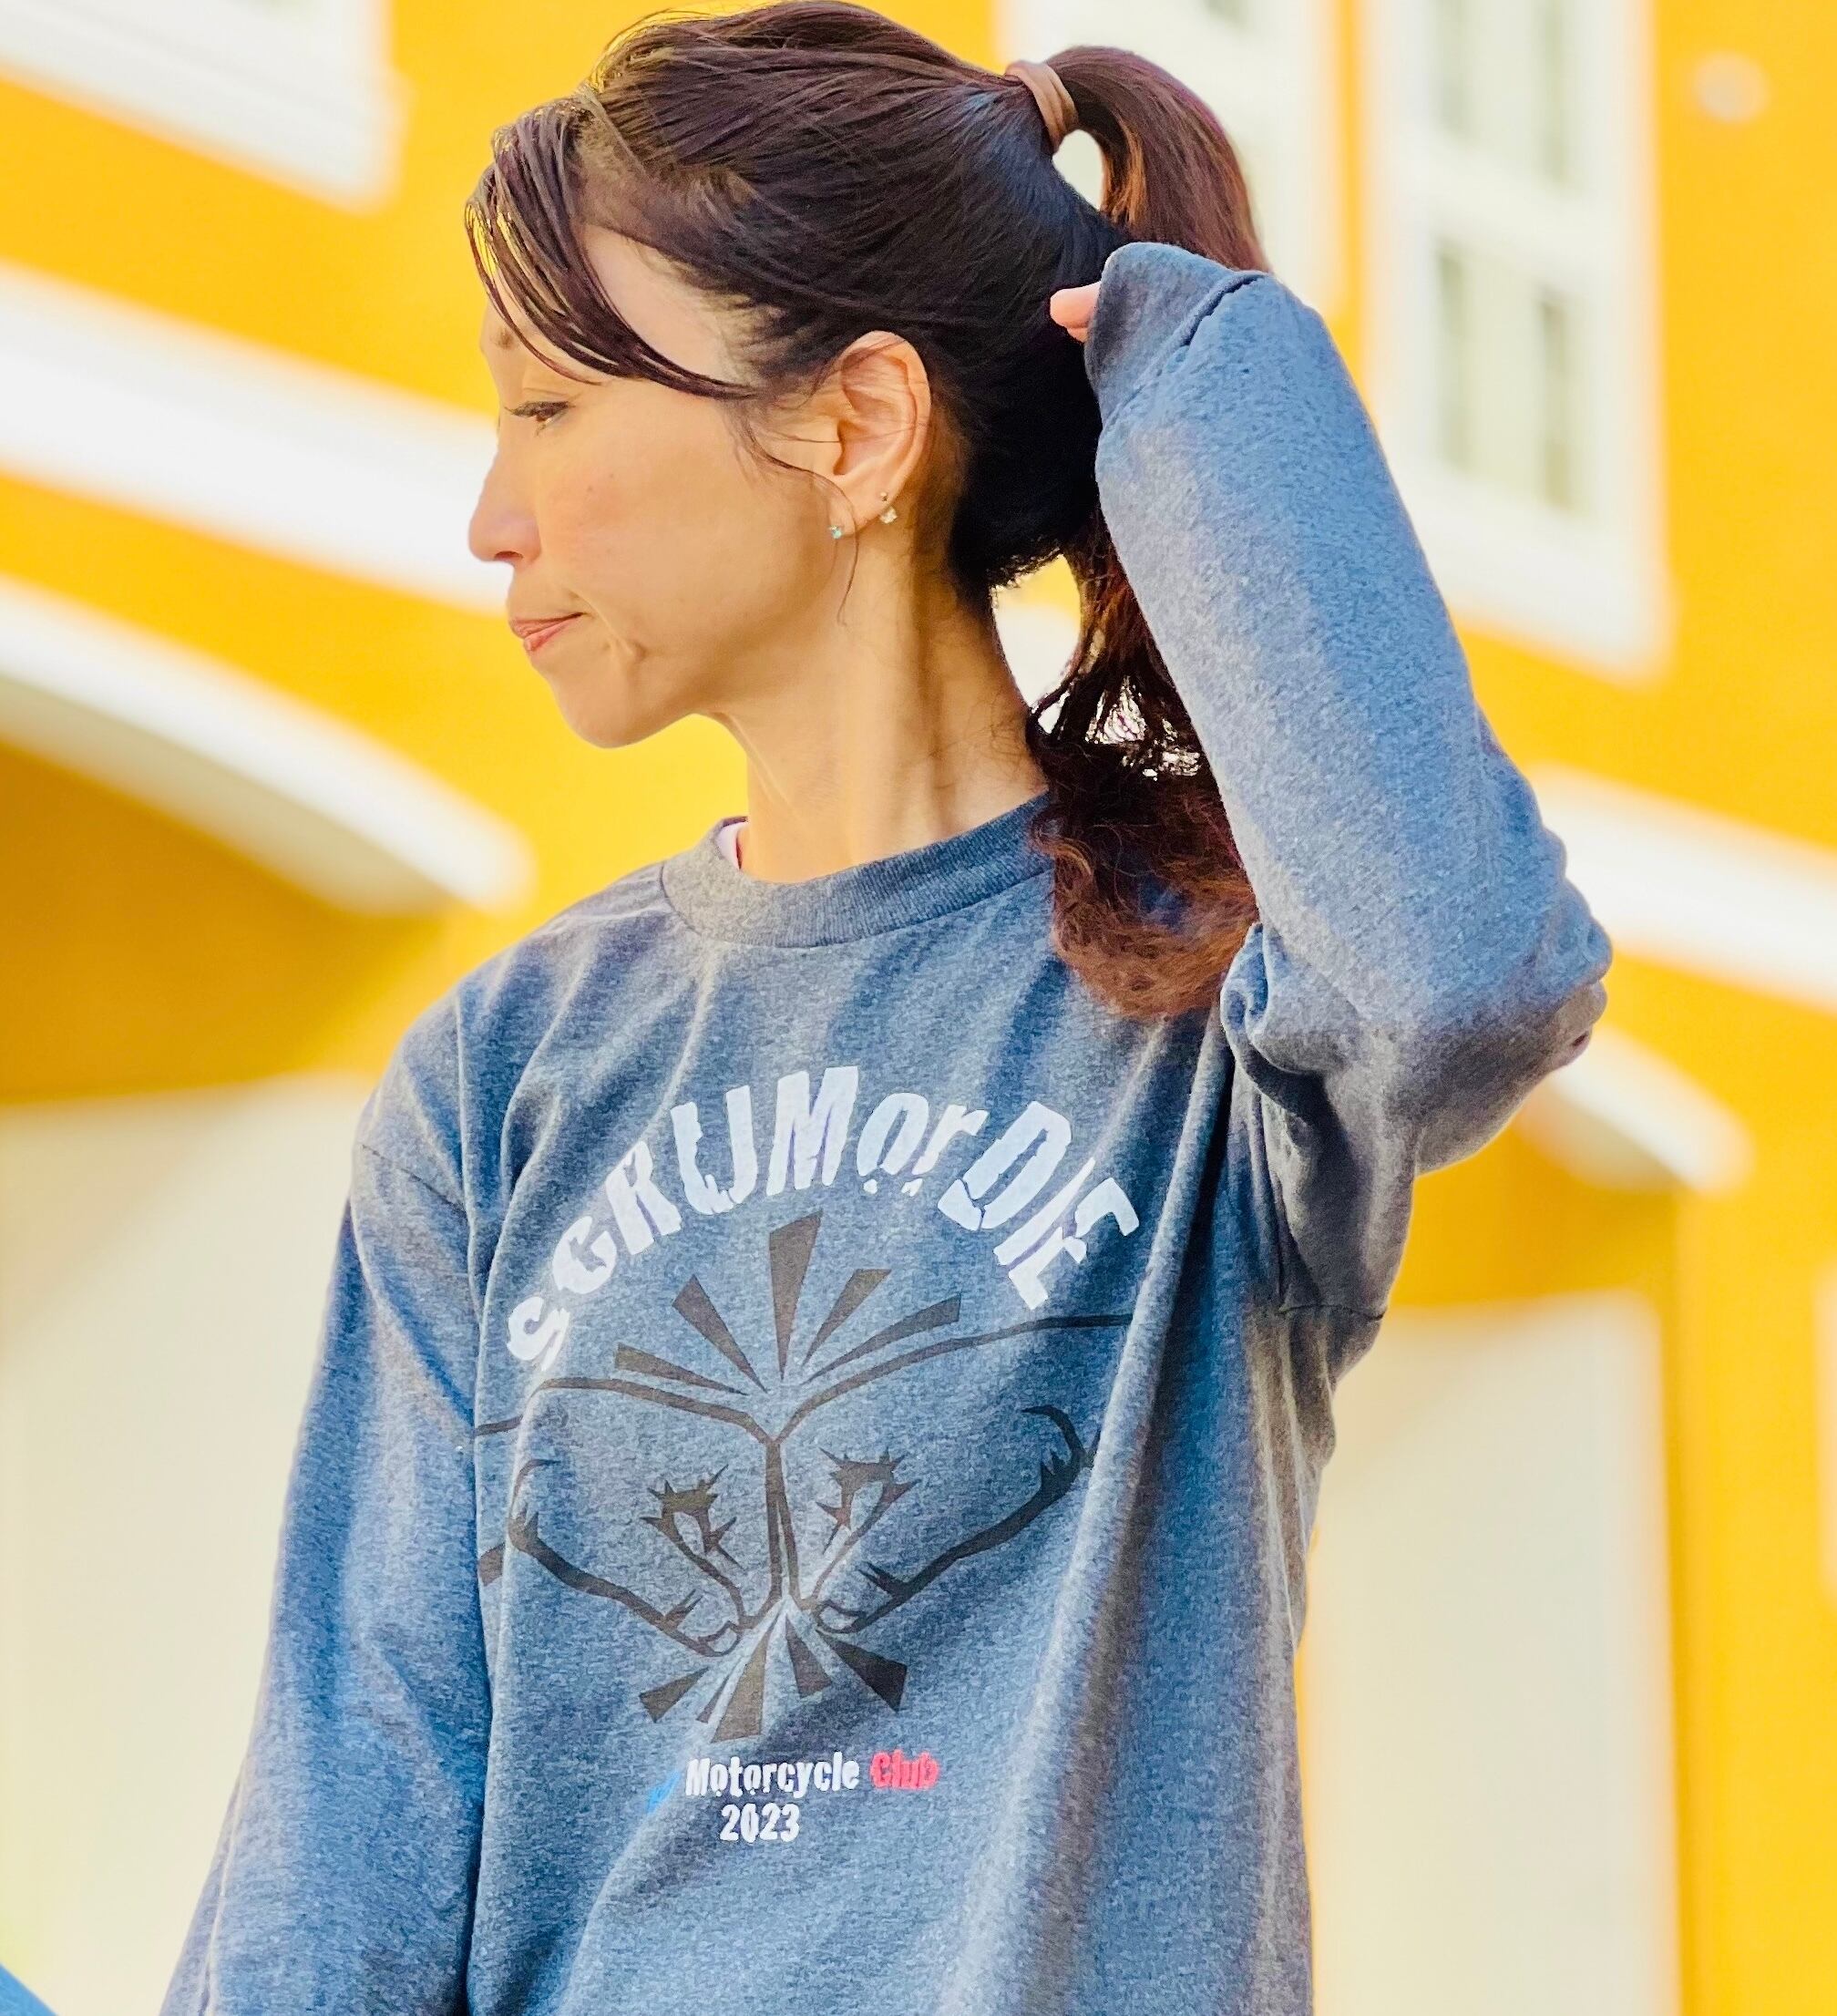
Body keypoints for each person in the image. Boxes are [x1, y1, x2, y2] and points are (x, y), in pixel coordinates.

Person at [162, 6, 1610, 2012]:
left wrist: (1208, 369)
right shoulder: (505, 1073)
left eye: (552, 408)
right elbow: (355, 1810)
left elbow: (1470, 980)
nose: (494, 516)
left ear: (851, 427)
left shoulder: (1211, 1008)